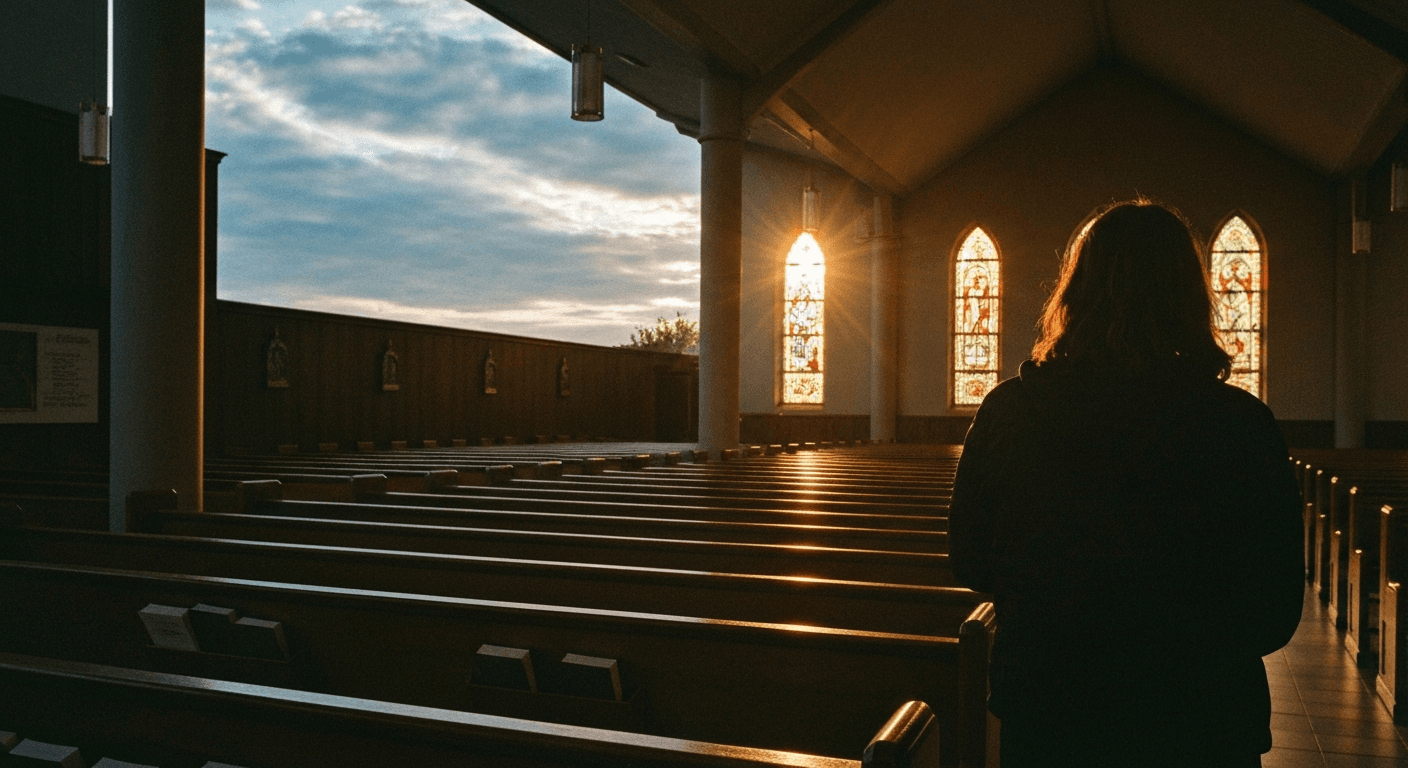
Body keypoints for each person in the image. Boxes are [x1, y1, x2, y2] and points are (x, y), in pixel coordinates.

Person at [948, 200, 1303, 768]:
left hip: (1053, 705)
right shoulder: (1240, 424)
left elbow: (970, 559)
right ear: (1191, 296)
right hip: (1199, 716)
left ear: (1077, 291)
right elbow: (1274, 609)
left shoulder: (1011, 411)